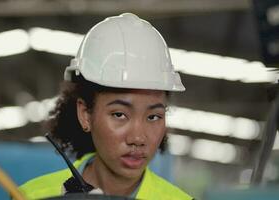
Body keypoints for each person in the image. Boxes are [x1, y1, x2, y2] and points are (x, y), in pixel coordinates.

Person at [20, 13, 192, 200]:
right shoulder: (31, 196)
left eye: (153, 117)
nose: (138, 138)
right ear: (85, 114)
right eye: (119, 114)